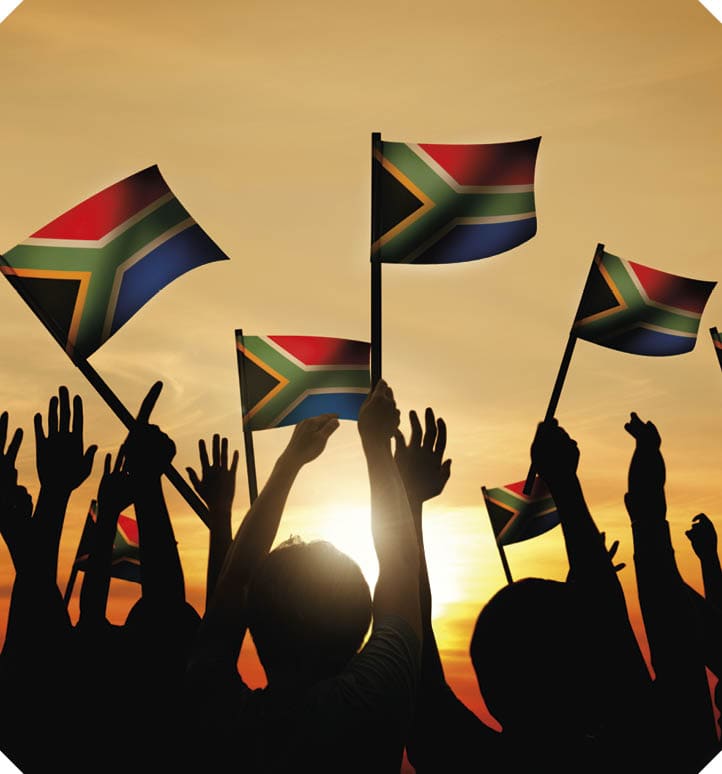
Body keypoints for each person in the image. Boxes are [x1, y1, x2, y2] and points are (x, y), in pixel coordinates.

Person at [185, 379, 421, 773]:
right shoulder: (376, 700)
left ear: (255, 623)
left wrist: (289, 462)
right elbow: (401, 565)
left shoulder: (221, 716)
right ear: (361, 625)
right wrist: (376, 444)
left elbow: (235, 579)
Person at [407, 416, 656, 774]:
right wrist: (565, 482)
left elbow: (416, 655)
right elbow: (611, 629)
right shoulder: (637, 748)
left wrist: (407, 502)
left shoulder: (466, 759)